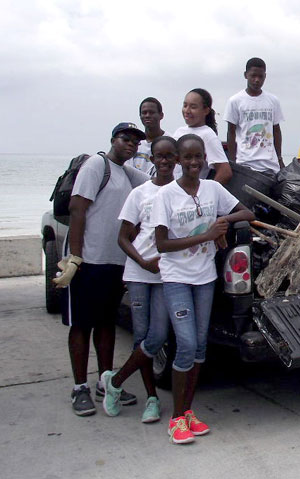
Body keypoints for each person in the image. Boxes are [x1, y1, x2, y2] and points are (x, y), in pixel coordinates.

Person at [152, 133, 255, 444]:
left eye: (199, 157)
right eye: (188, 158)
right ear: (179, 160)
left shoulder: (212, 188)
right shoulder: (166, 195)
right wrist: (207, 235)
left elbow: (248, 212)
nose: (194, 163)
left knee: (199, 346)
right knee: (184, 344)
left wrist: (222, 223)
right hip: (177, 278)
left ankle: (187, 413)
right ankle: (175, 419)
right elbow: (162, 244)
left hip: (204, 278)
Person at [54, 122, 150, 416]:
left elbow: (156, 184)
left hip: (114, 264)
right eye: (125, 138)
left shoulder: (127, 173)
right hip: (88, 262)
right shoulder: (98, 164)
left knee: (106, 325)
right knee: (82, 325)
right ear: (112, 139)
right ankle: (79, 387)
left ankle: (105, 383)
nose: (131, 144)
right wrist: (76, 258)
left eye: (135, 141)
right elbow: (77, 209)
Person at [100, 136, 177, 423]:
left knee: (158, 335)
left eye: (170, 156)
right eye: (160, 156)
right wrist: (143, 261)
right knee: (141, 336)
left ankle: (116, 381)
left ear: (177, 159)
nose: (165, 161)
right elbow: (122, 237)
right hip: (138, 273)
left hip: (167, 275)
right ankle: (152, 399)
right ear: (153, 160)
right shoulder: (139, 193)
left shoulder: (183, 192)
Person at [224, 57, 284, 173]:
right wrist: (232, 162)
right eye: (253, 76)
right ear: (246, 75)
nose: (257, 80)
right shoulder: (235, 101)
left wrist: (280, 158)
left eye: (260, 77)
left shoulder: (273, 100)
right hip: (245, 164)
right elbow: (231, 133)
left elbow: (276, 130)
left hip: (270, 165)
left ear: (265, 76)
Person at [173, 88, 232, 184]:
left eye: (193, 107)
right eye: (185, 105)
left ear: (206, 110)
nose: (187, 110)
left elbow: (225, 172)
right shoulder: (179, 131)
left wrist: (207, 193)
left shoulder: (207, 135)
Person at [125, 97, 167, 175]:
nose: (147, 115)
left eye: (151, 112)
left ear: (161, 115)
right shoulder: (134, 143)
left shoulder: (170, 142)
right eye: (144, 113)